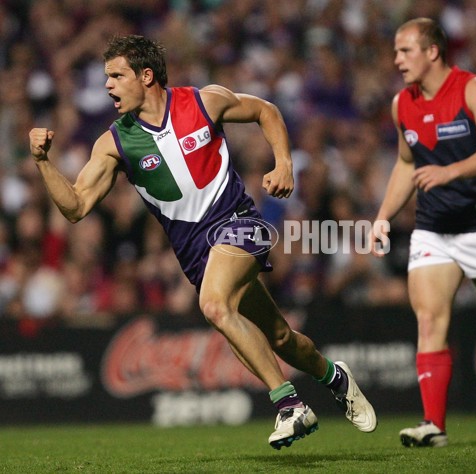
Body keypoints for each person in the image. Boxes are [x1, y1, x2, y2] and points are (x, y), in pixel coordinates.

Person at [29, 34, 377, 449]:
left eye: (116, 76)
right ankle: (334, 377)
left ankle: (290, 406)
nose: (108, 86)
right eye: (107, 77)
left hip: (239, 223)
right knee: (281, 338)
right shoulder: (115, 142)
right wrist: (43, 162)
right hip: (196, 253)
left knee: (214, 305)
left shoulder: (204, 101)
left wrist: (284, 163)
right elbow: (76, 205)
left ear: (145, 75)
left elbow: (266, 111)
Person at [370, 18, 476, 447]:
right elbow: (407, 163)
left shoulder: (472, 89)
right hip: (433, 228)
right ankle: (434, 425)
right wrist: (383, 216)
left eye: (405, 51)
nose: (397, 60)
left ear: (433, 52)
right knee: (429, 320)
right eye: (395, 52)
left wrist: (451, 171)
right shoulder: (401, 104)